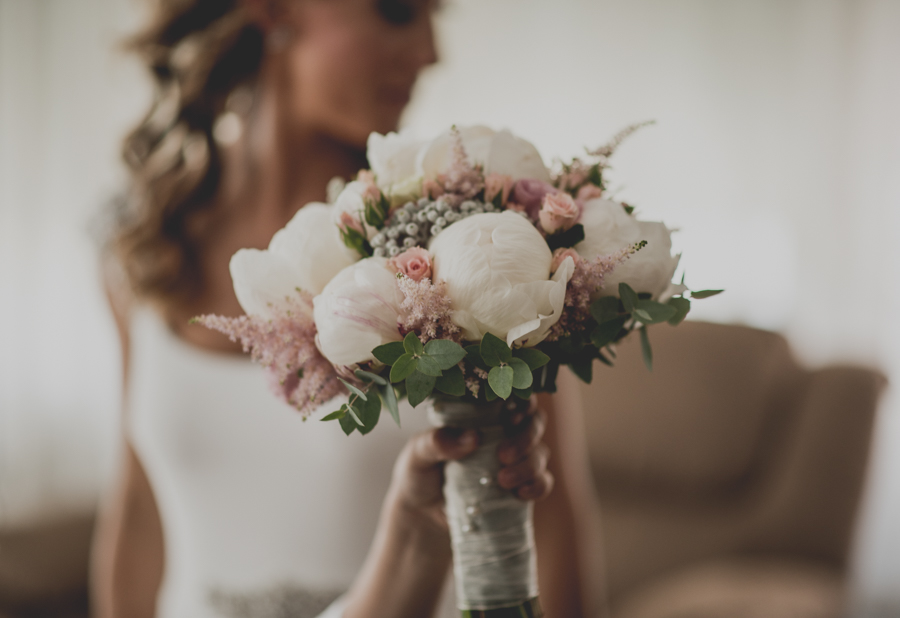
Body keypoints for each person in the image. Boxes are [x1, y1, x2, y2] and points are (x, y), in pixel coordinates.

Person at [91, 0, 606, 617]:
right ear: (272, 11)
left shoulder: (467, 245)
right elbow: (139, 506)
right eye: (395, 12)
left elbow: (549, 519)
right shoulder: (146, 249)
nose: (429, 52)